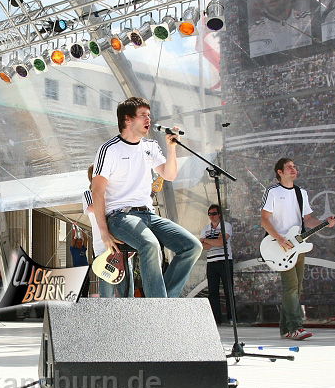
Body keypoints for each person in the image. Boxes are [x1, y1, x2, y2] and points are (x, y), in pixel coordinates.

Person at [91, 97, 202, 298]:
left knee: (192, 247)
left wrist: (171, 147)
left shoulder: (150, 146)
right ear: (127, 119)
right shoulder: (109, 149)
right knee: (150, 245)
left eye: (149, 115)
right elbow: (97, 192)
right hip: (120, 216)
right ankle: (158, 304)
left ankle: (163, 301)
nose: (148, 119)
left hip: (149, 215)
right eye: (143, 115)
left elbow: (169, 175)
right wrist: (103, 232)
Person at [260, 158, 335, 340]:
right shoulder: (273, 192)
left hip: (298, 245)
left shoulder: (301, 193)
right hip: (279, 245)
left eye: (294, 166)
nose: (293, 169)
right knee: (291, 286)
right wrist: (279, 238)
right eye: (289, 167)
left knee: (296, 287)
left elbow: (307, 220)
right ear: (280, 172)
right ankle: (296, 327)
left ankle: (285, 329)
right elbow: (264, 219)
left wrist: (324, 222)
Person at [84, 163, 132, 298]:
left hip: (121, 247)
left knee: (128, 294)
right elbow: (94, 208)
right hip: (102, 248)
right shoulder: (88, 194)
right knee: (106, 295)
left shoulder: (117, 194)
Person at [199, 204, 234, 325]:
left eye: (214, 214)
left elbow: (221, 242)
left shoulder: (226, 225)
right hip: (211, 262)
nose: (211, 216)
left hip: (225, 260)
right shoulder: (205, 228)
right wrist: (213, 241)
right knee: (213, 291)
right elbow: (201, 246)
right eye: (209, 214)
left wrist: (206, 240)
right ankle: (216, 319)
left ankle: (231, 317)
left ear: (219, 214)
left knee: (228, 290)